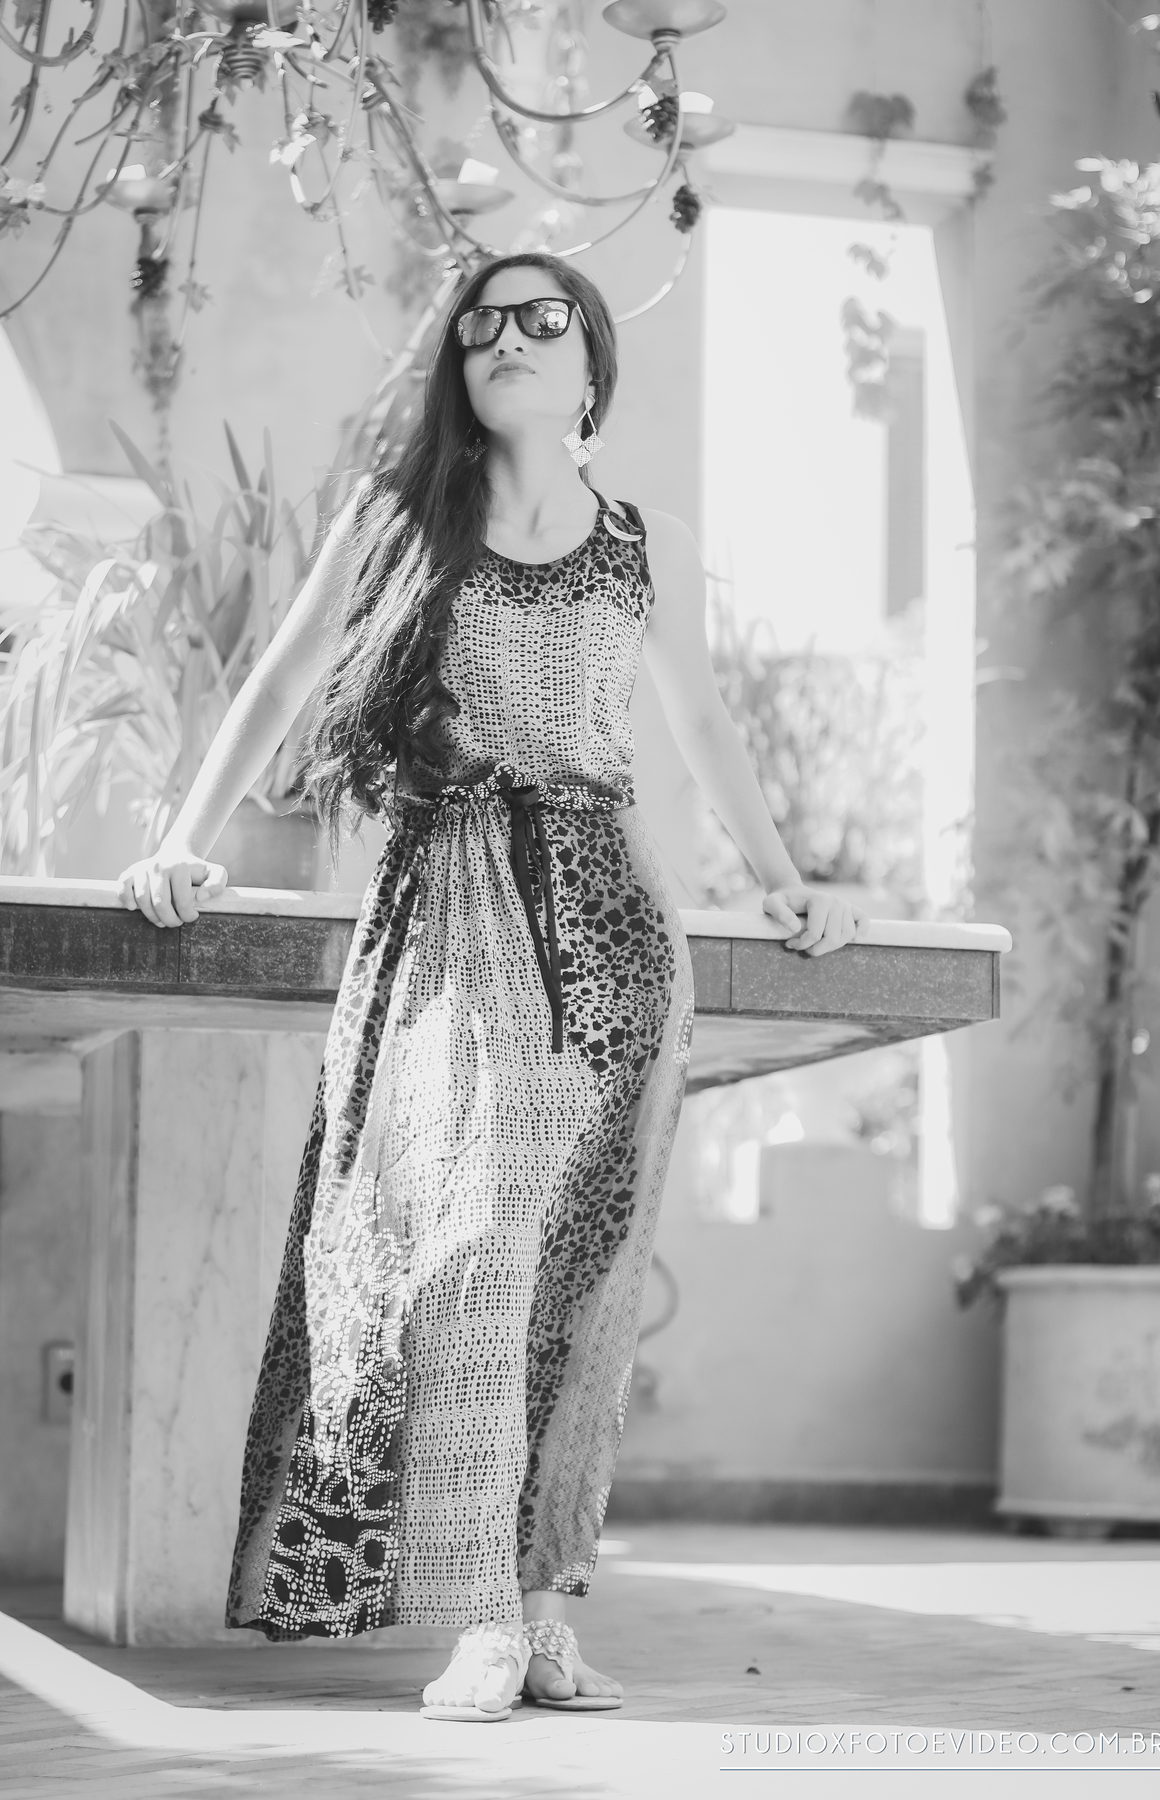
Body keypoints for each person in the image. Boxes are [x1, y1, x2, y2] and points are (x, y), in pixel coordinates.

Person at [117, 250, 869, 1722]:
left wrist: (784, 875)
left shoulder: (642, 541)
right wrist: (182, 840)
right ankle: (472, 1615)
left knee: (576, 1274)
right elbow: (278, 679)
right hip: (451, 909)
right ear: (459, 368)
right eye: (480, 326)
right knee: (465, 1246)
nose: (507, 339)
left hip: (612, 921)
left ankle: (541, 1611)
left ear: (591, 366)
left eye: (542, 320)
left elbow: (702, 720)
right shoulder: (400, 518)